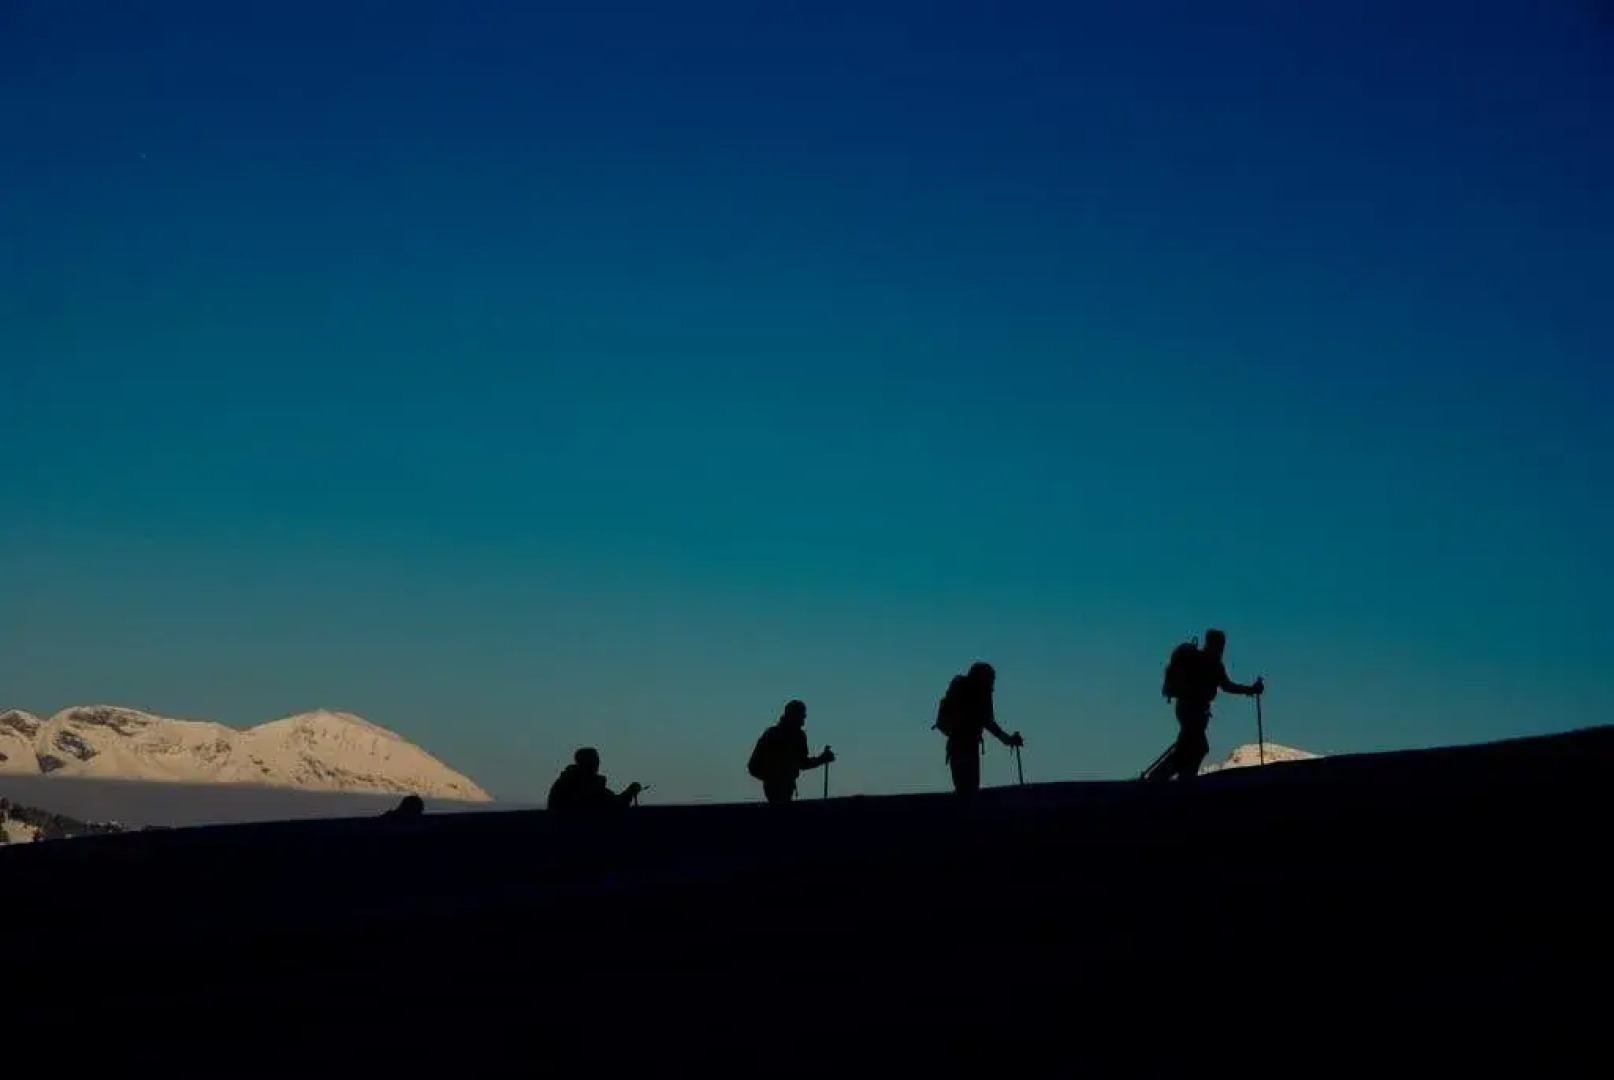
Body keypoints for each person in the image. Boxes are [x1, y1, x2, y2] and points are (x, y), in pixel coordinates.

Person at [1153, 628, 1264, 781]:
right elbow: (1227, 686)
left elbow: (1226, 685)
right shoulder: (1208, 663)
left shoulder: (1210, 663)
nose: (1222, 648)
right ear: (1214, 643)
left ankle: (1172, 778)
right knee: (1196, 747)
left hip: (1189, 709)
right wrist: (1251, 690)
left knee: (1190, 747)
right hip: (1192, 709)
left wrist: (1250, 690)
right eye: (1220, 644)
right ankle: (1165, 779)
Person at [933, 661, 1023, 795]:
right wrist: (1008, 740)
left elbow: (986, 721)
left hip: (956, 745)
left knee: (963, 788)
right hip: (967, 746)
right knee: (969, 789)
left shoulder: (964, 690)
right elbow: (988, 722)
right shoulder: (979, 694)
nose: (992, 684)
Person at [748, 699, 835, 805]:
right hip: (775, 787)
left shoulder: (797, 736)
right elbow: (753, 766)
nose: (804, 718)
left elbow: (802, 763)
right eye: (802, 715)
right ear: (794, 716)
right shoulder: (774, 735)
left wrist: (822, 759)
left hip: (783, 785)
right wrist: (773, 778)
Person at [547, 747, 644, 811]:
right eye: (596, 761)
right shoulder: (589, 785)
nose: (598, 764)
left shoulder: (562, 783)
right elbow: (615, 804)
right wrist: (630, 792)